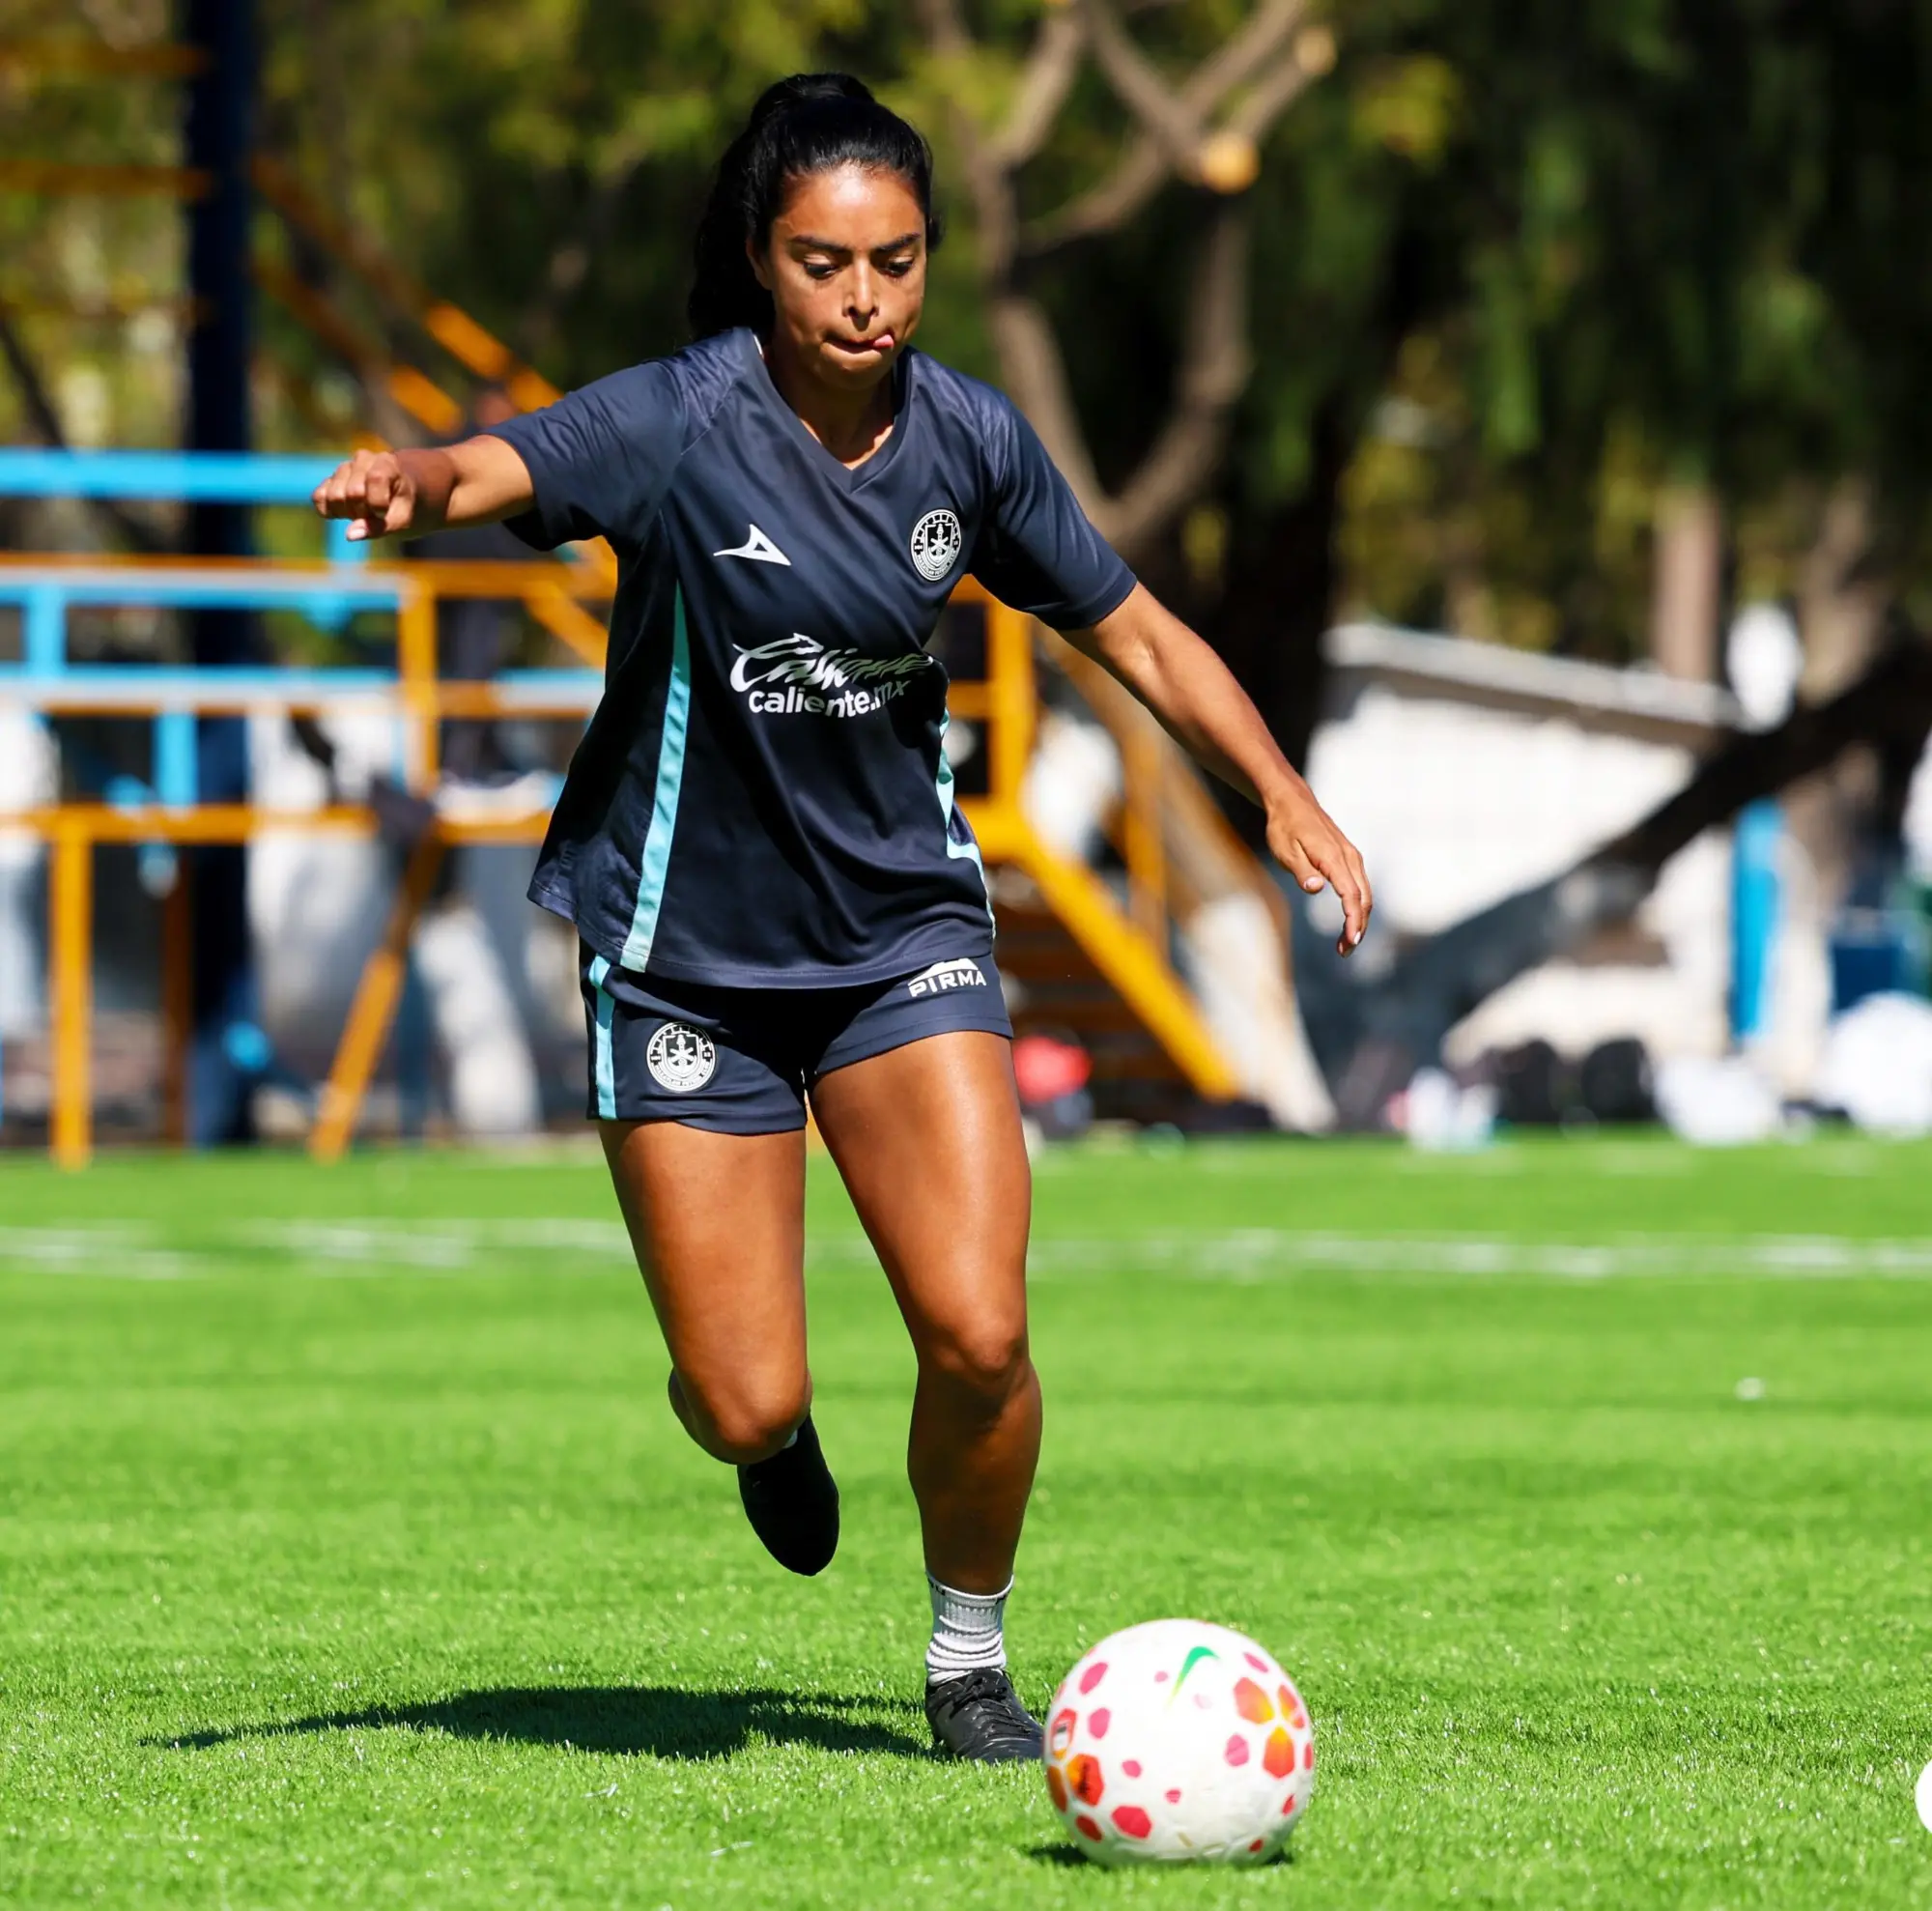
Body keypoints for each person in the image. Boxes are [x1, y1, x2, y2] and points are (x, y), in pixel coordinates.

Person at [313, 72, 1372, 1764]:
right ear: (760, 260)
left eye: (896, 259)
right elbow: (491, 464)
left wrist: (1282, 797)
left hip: (901, 939)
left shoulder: (968, 439)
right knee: (747, 1395)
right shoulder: (677, 419)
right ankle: (760, 1435)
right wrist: (405, 484)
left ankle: (968, 1660)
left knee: (982, 1326)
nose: (864, 297)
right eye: (822, 263)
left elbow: (1142, 631)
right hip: (682, 959)